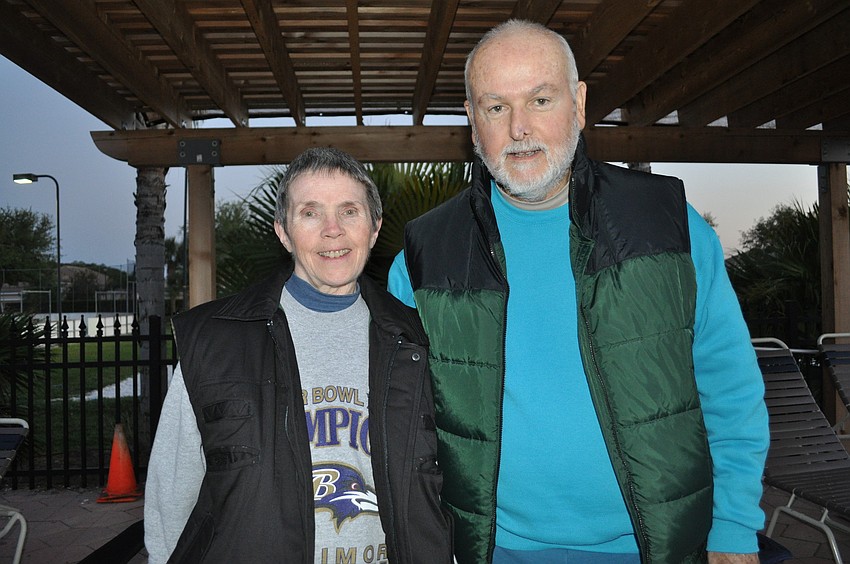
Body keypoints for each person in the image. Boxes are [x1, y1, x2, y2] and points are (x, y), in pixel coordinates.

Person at [388, 20, 769, 564]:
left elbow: (730, 390)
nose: (520, 128)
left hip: (657, 550)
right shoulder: (423, 259)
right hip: (491, 553)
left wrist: (732, 530)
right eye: (495, 107)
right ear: (472, 121)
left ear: (579, 103)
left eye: (540, 99)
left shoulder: (670, 230)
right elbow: (408, 432)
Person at [145, 147, 453, 563]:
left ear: (374, 228)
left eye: (349, 211)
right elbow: (172, 491)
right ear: (283, 232)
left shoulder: (419, 339)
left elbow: (444, 486)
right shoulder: (215, 341)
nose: (333, 230)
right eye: (311, 213)